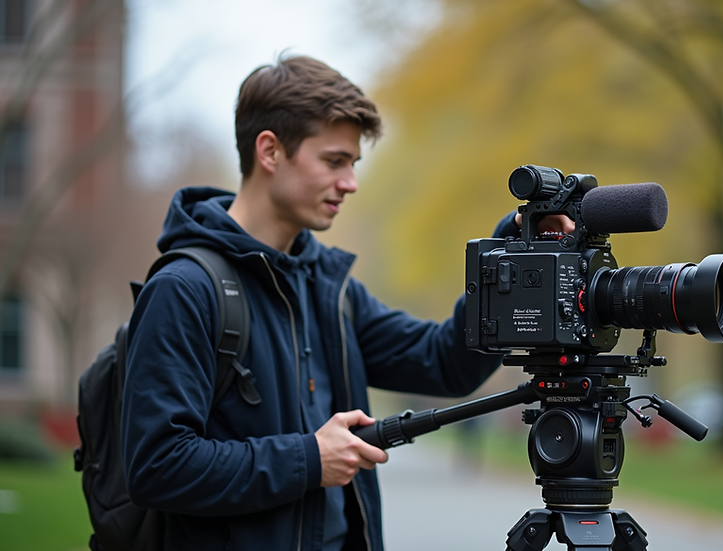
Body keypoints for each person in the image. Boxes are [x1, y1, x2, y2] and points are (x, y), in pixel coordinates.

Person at [120, 54, 530, 551]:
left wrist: (507, 262)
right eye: (334, 161)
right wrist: (309, 460)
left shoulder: (328, 288)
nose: (350, 183)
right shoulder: (185, 289)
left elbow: (445, 363)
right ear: (270, 151)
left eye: (353, 164)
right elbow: (157, 466)